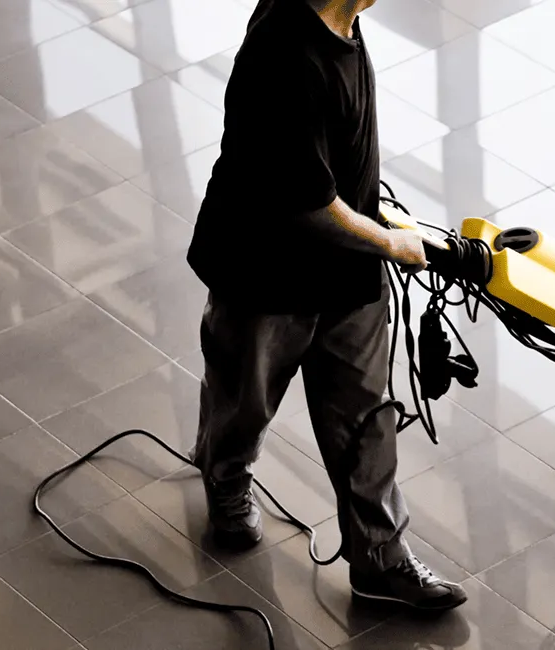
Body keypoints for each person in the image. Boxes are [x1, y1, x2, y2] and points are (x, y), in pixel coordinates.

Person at [185, 0, 466, 611]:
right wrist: (390, 241)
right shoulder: (284, 57)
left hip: (347, 270)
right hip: (265, 276)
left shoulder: (343, 20)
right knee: (245, 399)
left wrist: (377, 222)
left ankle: (380, 558)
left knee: (367, 416)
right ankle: (226, 475)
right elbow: (305, 203)